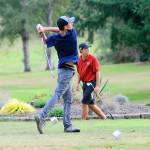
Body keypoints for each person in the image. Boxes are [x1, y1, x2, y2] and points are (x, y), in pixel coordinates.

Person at [35, 16, 80, 134]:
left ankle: (68, 125)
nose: (72, 24)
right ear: (66, 26)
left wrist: (43, 31)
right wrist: (44, 29)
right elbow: (59, 29)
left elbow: (46, 41)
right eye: (70, 22)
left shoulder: (56, 38)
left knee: (68, 99)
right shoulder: (72, 34)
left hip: (63, 71)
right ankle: (41, 116)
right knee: (58, 94)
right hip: (67, 72)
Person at [76, 42, 107, 120]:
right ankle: (104, 117)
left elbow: (97, 72)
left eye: (88, 48)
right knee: (90, 103)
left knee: (84, 101)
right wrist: (77, 83)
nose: (88, 50)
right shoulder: (78, 60)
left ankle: (83, 121)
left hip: (92, 83)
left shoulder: (93, 58)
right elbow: (79, 73)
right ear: (81, 50)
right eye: (86, 48)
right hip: (85, 83)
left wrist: (97, 86)